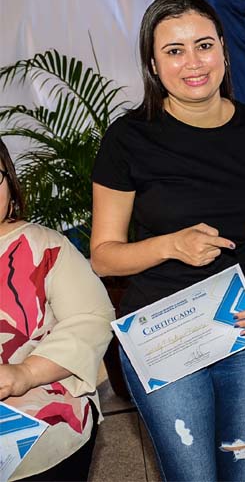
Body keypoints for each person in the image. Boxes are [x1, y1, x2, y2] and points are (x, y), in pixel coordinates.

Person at [90, 0, 245, 481]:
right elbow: (104, 258)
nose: (193, 63)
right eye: (174, 50)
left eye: (204, 45)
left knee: (241, 472)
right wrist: (170, 245)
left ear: (224, 51)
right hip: (163, 332)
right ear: (153, 64)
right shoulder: (128, 139)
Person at [0, 139, 114, 481]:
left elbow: (93, 318)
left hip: (43, 414)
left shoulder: (45, 246)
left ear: (9, 181)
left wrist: (25, 374)